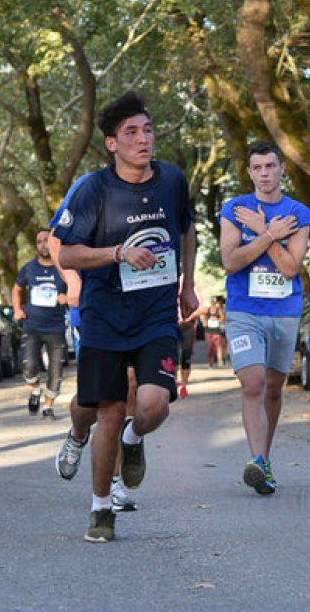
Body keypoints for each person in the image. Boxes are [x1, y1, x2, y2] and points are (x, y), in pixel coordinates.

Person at [54, 91, 197, 542]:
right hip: (104, 315)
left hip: (156, 312)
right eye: (131, 132)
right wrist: (118, 253)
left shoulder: (172, 181)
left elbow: (187, 228)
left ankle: (134, 441)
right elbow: (68, 253)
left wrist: (188, 284)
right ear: (112, 143)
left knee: (152, 404)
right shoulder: (93, 190)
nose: (143, 139)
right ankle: (100, 509)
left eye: (148, 130)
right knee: (106, 412)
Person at [219, 140, 310, 495]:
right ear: (249, 172)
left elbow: (289, 268)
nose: (264, 174)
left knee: (273, 388)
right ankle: (257, 460)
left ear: (282, 169)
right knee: (254, 383)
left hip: (284, 312)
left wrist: (262, 232)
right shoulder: (235, 209)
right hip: (243, 310)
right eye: (257, 168)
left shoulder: (298, 213)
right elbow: (230, 262)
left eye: (270, 166)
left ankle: (265, 460)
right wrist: (272, 234)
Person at [48, 175, 139, 513]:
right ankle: (78, 432)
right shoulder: (91, 185)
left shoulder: (160, 182)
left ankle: (112, 482)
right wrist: (72, 280)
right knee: (98, 397)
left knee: (129, 389)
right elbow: (57, 240)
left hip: (140, 307)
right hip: (96, 307)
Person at [12, 229, 69, 419]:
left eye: (46, 240)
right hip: (32, 326)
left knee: (56, 370)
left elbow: (77, 291)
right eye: (39, 241)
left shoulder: (64, 268)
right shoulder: (29, 268)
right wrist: (17, 309)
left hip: (56, 327)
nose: (43, 244)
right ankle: (35, 389)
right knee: (28, 365)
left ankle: (48, 407)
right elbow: (17, 289)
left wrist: (66, 298)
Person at [175, 291, 205, 398]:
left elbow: (202, 309)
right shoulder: (171, 284)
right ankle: (174, 382)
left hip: (188, 325)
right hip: (173, 324)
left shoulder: (193, 288)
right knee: (173, 355)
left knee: (186, 356)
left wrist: (189, 317)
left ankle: (184, 386)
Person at [204, 296, 228, 368]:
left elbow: (223, 319)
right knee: (210, 346)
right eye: (212, 302)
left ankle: (220, 360)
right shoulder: (207, 310)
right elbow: (204, 320)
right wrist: (205, 322)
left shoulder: (219, 310)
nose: (213, 303)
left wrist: (216, 318)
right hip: (208, 330)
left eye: (214, 302)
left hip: (217, 330)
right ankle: (210, 362)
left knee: (218, 346)